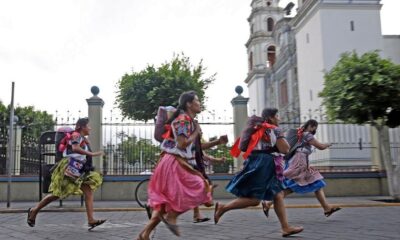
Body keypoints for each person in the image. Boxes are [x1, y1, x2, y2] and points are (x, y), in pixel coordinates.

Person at [213, 108, 303, 237]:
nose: (279, 119)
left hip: (255, 161)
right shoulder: (274, 129)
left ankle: (285, 227)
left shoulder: (257, 128)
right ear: (271, 118)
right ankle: (223, 207)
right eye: (277, 116)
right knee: (255, 200)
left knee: (277, 194)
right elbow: (285, 149)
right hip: (266, 164)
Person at [136, 91, 212, 240]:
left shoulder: (188, 120)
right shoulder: (182, 120)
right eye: (197, 100)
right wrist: (196, 132)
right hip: (173, 162)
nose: (200, 103)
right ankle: (172, 217)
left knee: (165, 204)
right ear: (189, 104)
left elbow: (193, 147)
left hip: (175, 161)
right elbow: (182, 144)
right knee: (200, 186)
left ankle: (143, 235)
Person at [27, 118, 106, 230]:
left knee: (88, 192)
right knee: (57, 193)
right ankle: (34, 210)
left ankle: (91, 220)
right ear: (82, 127)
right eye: (88, 126)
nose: (90, 128)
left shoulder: (82, 137)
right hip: (70, 167)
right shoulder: (76, 135)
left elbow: (81, 154)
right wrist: (92, 154)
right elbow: (75, 148)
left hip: (79, 168)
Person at [262, 119, 341, 218]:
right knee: (292, 186)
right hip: (299, 165)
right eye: (314, 127)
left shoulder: (299, 134)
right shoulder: (307, 135)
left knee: (316, 183)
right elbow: (320, 146)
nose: (314, 129)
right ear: (311, 125)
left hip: (300, 163)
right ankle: (268, 202)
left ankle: (327, 208)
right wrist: (328, 144)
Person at [192, 135, 228, 223]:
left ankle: (197, 214)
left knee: (201, 197)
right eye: (199, 130)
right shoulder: (189, 142)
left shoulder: (196, 146)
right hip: (193, 170)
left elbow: (206, 156)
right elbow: (201, 147)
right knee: (206, 201)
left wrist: (219, 160)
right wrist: (218, 141)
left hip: (198, 170)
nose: (201, 132)